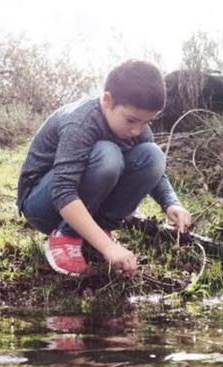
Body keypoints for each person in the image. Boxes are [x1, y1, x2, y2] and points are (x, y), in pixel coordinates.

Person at [16, 60, 193, 276]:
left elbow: (155, 170)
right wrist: (108, 248)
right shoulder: (80, 123)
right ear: (108, 100)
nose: (138, 130)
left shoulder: (136, 129)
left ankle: (99, 232)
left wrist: (170, 202)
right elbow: (63, 190)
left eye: (147, 122)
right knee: (107, 155)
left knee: (153, 155)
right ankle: (66, 236)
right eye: (131, 120)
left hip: (80, 205)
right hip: (42, 205)